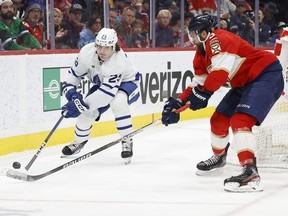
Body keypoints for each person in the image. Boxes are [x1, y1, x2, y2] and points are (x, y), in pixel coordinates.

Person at [161, 14, 284, 192]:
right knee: (218, 120)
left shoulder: (219, 39)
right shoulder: (200, 55)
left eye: (194, 34)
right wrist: (178, 102)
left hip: (265, 75)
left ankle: (250, 172)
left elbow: (218, 75)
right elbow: (198, 84)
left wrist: (202, 94)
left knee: (240, 121)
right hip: (244, 82)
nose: (191, 39)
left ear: (204, 33)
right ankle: (219, 157)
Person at [61, 28, 140, 164]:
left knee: (118, 102)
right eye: (100, 46)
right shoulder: (86, 52)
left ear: (114, 46)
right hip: (103, 85)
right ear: (95, 44)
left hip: (127, 83)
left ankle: (126, 139)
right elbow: (72, 76)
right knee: (87, 113)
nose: (102, 51)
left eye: (107, 47)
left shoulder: (117, 61)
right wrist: (72, 95)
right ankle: (79, 142)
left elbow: (105, 95)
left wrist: (80, 105)